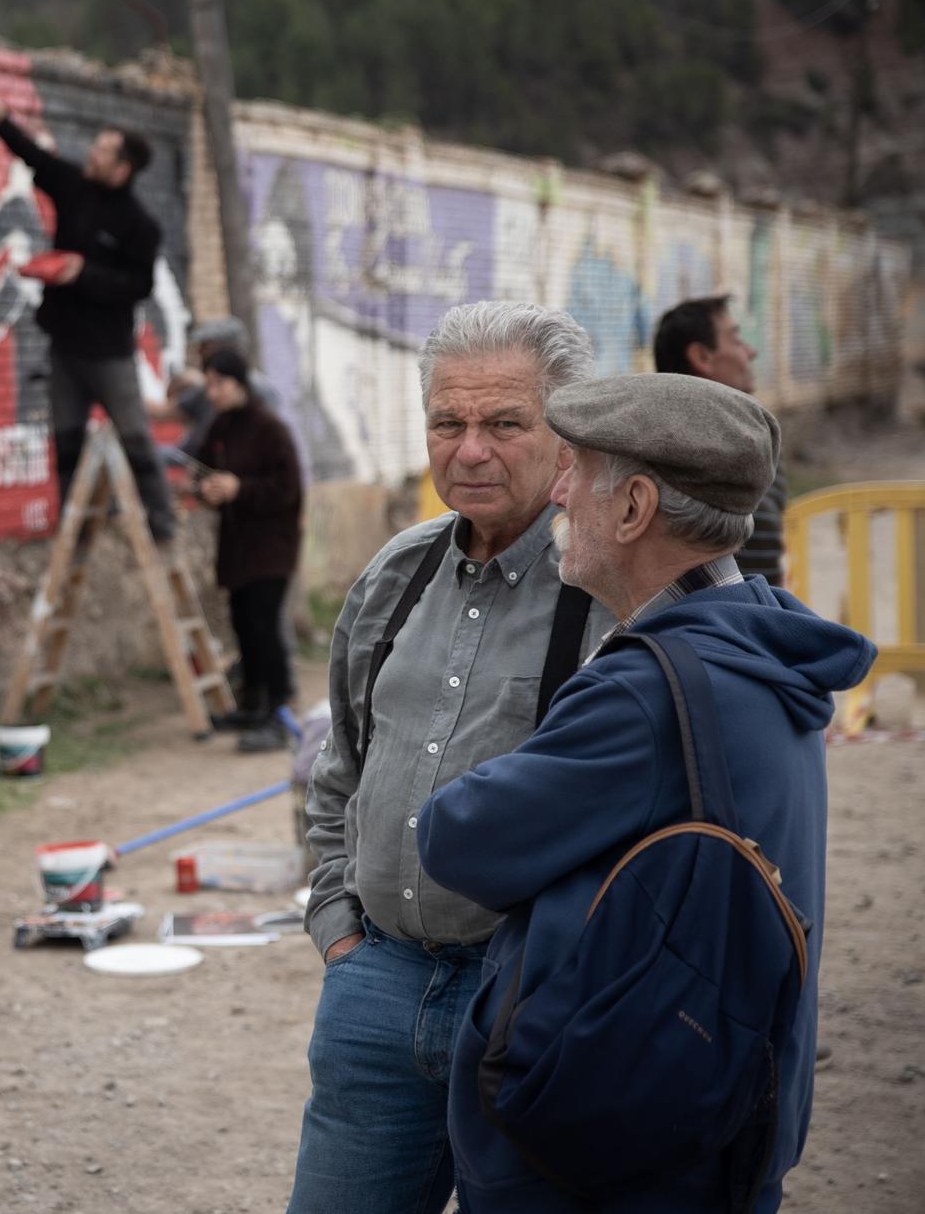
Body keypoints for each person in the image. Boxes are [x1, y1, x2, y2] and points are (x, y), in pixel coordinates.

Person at [417, 372, 873, 1211]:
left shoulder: (647, 689)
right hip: (710, 1104)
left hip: (607, 1142)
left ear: (631, 509)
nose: (555, 490)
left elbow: (458, 837)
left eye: (575, 468)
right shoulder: (760, 639)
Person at [291, 301, 612, 1214]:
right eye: (448, 421)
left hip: (530, 1004)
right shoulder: (396, 573)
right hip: (375, 985)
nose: (469, 449)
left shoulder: (608, 591)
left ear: (566, 432)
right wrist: (339, 925)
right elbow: (341, 766)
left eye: (504, 424)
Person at [0, 63, 180, 544]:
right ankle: (77, 530)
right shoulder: (74, 186)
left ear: (123, 169)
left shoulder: (139, 224)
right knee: (67, 442)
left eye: (102, 151)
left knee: (136, 437)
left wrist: (86, 273)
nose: (92, 155)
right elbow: (32, 154)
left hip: (110, 352)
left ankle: (161, 522)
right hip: (65, 345)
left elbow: (137, 286)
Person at [193, 346, 302, 752]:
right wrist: (205, 489)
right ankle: (253, 706)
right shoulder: (221, 427)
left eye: (218, 383)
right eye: (208, 384)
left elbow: (288, 488)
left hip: (271, 547)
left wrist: (241, 487)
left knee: (264, 628)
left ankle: (279, 714)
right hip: (237, 548)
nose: (212, 392)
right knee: (244, 627)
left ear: (238, 382)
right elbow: (201, 469)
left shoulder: (270, 428)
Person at [653, 295, 787, 586]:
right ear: (702, 357)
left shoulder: (757, 440)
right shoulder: (667, 457)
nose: (750, 352)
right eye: (737, 340)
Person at [153, 316, 284, 467]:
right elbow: (165, 413)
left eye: (206, 347)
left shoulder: (260, 391)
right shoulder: (206, 392)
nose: (200, 353)